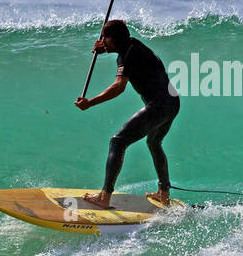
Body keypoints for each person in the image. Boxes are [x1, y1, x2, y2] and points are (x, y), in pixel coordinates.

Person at [74, 19, 179, 208]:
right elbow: (123, 53)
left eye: (105, 38)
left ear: (114, 38)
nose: (102, 41)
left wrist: (90, 103)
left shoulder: (126, 56)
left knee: (118, 141)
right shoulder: (133, 45)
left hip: (158, 106)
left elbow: (118, 87)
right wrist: (105, 49)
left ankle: (104, 197)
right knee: (154, 142)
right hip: (172, 103)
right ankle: (164, 194)